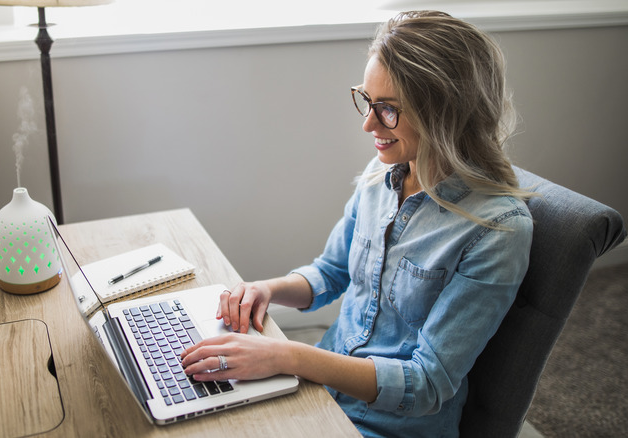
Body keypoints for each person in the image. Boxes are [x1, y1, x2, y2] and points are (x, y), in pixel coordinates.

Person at [180, 10, 534, 437]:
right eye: (367, 101)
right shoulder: (380, 176)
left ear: (446, 112)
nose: (368, 124)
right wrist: (266, 290)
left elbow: (426, 384)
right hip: (316, 389)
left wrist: (286, 356)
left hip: (388, 426)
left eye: (388, 111)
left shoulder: (498, 231)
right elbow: (330, 272)